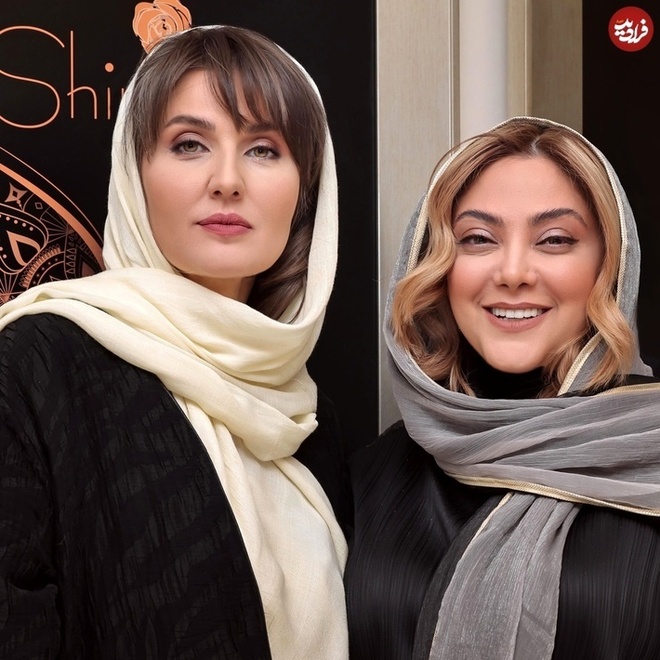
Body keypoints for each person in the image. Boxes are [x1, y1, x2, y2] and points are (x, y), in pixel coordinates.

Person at [0, 25, 351, 659]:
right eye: (189, 144)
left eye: (264, 149)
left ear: (306, 191)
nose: (227, 180)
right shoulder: (35, 370)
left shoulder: (306, 421)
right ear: (134, 175)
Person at [345, 116, 660, 660]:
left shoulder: (649, 453)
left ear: (609, 265)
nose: (513, 272)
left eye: (555, 240)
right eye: (478, 239)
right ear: (438, 265)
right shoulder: (373, 475)